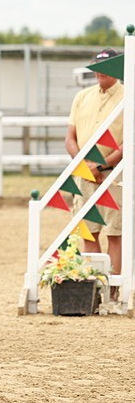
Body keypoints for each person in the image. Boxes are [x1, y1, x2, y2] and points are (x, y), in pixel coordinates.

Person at [65, 47, 124, 282]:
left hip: (115, 175)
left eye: (104, 68)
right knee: (88, 232)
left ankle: (113, 286)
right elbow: (70, 137)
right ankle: (94, 284)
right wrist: (84, 166)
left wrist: (100, 167)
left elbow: (127, 143)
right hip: (84, 174)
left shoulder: (128, 97)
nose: (99, 72)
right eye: (96, 67)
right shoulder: (82, 97)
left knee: (114, 233)